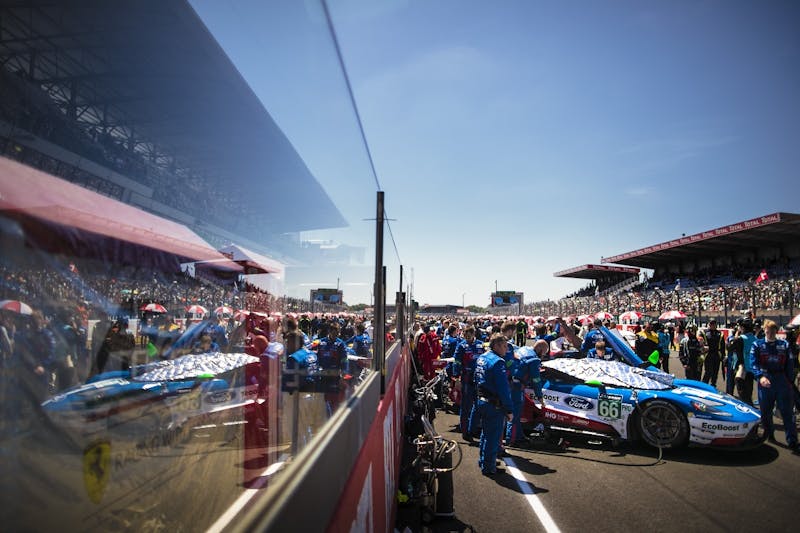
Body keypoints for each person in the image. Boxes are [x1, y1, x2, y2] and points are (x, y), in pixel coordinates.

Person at [748, 319, 797, 450]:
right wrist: (760, 377)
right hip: (765, 380)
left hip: (781, 380)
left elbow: (790, 364)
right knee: (765, 411)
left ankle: (792, 440)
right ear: (764, 331)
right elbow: (753, 363)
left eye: (772, 332)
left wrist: (790, 381)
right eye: (767, 331)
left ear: (776, 331)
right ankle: (769, 435)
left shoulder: (784, 344)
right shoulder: (757, 345)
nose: (770, 334)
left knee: (787, 411)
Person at [474, 334, 513, 476]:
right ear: (496, 346)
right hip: (493, 404)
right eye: (504, 346)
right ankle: (489, 467)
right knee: (493, 436)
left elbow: (476, 379)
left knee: (486, 433)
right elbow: (503, 389)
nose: (506, 349)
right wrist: (509, 409)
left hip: (481, 400)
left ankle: (484, 461)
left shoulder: (482, 357)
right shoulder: (498, 362)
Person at [454, 325, 483, 441]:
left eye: (469, 335)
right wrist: (456, 378)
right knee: (466, 406)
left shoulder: (480, 344)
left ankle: (473, 429)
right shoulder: (461, 346)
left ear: (473, 334)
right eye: (465, 336)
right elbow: (456, 362)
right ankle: (465, 431)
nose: (467, 338)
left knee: (478, 405)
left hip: (479, 379)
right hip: (466, 379)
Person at [701, 319, 726, 388]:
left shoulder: (720, 333)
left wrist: (723, 356)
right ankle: (704, 385)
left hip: (717, 354)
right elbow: (700, 343)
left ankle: (713, 385)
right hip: (708, 354)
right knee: (708, 371)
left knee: (715, 372)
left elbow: (723, 345)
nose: (713, 325)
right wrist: (703, 347)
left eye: (714, 324)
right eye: (711, 324)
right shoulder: (704, 332)